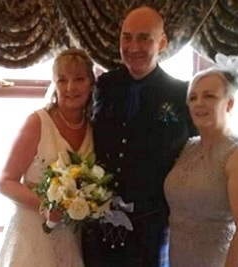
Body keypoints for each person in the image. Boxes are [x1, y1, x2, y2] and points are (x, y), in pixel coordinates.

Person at [82, 5, 196, 267]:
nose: (133, 47)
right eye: (127, 36)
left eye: (144, 38)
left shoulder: (183, 94)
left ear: (162, 42)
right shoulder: (104, 85)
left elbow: (199, 154)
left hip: (152, 228)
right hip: (97, 225)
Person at [0, 48, 95, 267]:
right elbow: (4, 182)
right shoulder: (37, 122)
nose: (70, 88)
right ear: (54, 84)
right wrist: (45, 205)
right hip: (31, 235)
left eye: (79, 79)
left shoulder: (93, 128)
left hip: (70, 237)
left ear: (91, 83)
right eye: (62, 80)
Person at [164, 53, 238, 267]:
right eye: (193, 97)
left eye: (209, 96)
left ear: (229, 104)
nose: (198, 103)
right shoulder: (189, 146)